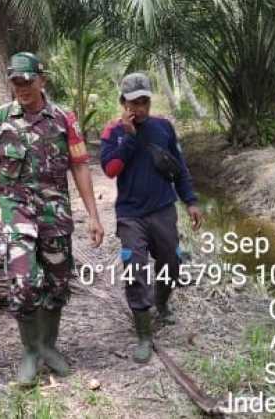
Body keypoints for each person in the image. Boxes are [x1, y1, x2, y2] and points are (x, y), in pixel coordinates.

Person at [0, 52, 104, 385]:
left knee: (57, 280)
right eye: (16, 82)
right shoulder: (0, 118)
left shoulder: (64, 118)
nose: (22, 88)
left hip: (55, 211)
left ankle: (49, 346)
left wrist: (93, 215)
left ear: (41, 80)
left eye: (27, 81)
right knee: (23, 280)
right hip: (17, 209)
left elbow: (79, 166)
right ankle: (30, 351)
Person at [99, 72, 204, 364]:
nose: (139, 108)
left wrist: (191, 200)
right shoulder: (112, 132)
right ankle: (144, 333)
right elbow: (110, 169)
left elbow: (179, 167)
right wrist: (129, 140)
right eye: (133, 102)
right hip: (131, 214)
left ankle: (162, 303)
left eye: (144, 101)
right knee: (134, 267)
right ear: (123, 102)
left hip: (163, 209)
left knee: (171, 262)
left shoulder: (164, 128)